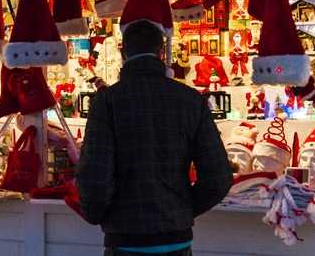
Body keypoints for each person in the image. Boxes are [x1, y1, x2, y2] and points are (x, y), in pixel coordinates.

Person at [76, 20, 233, 256]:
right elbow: (219, 176)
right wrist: (182, 208)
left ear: (123, 53)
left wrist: (97, 214)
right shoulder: (190, 100)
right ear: (161, 53)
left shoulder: (107, 102)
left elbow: (95, 177)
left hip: (125, 236)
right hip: (176, 235)